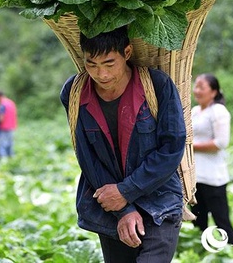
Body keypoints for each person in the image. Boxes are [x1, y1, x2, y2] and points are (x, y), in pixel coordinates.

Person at [59, 26, 187, 263]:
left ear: (126, 53)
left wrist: (127, 191)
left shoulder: (157, 85)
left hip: (159, 201)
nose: (102, 74)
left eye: (109, 63)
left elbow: (172, 148)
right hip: (109, 206)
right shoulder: (74, 92)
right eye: (92, 64)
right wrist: (122, 209)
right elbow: (87, 157)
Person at [191, 73, 233, 245]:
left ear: (214, 92)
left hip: (213, 177)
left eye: (201, 87)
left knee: (221, 221)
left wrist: (191, 147)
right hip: (195, 176)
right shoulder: (195, 111)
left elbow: (221, 142)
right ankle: (202, 251)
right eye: (196, 86)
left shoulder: (218, 111)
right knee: (197, 220)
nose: (196, 90)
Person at [0, 90, 18, 158]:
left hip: (3, 128)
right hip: (12, 127)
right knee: (10, 145)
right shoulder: (11, 102)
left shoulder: (2, 105)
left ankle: (3, 162)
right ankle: (11, 161)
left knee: (2, 146)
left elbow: (1, 119)